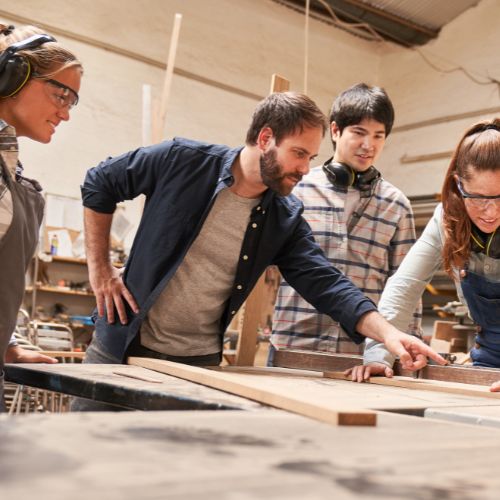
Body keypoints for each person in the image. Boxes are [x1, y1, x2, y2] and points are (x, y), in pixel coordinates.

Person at [75, 91, 444, 410]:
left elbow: (327, 284)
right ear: (265, 138)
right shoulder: (181, 160)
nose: (303, 169)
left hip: (196, 365)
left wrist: (387, 333)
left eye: (311, 158)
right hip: (121, 348)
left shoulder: (283, 217)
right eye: (298, 153)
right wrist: (101, 270)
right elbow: (100, 182)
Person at [270, 83, 421, 366]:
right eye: (359, 133)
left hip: (361, 358)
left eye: (379, 135)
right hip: (292, 348)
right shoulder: (296, 190)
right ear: (336, 131)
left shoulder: (396, 205)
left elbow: (405, 287)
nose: (369, 145)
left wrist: (397, 355)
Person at [346, 119, 500, 390]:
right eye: (477, 198)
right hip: (489, 364)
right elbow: (404, 287)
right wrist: (379, 355)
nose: (491, 212)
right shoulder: (447, 220)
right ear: (458, 185)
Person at [0, 24, 82, 410]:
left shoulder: (12, 174)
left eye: (72, 101)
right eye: (60, 93)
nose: (65, 113)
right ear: (12, 76)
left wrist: (8, 342)